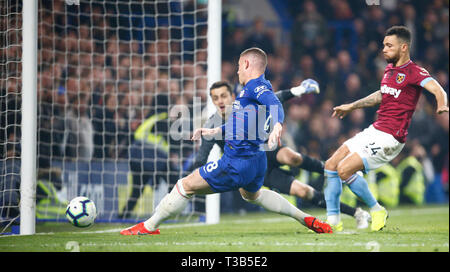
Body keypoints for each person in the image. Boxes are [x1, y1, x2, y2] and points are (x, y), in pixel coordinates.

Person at [120, 47, 333, 235]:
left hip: (236, 162)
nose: (237, 71)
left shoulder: (255, 86)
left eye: (239, 66)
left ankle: (147, 226)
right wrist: (212, 130)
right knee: (253, 195)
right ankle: (305, 218)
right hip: (257, 161)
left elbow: (274, 102)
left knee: (184, 186)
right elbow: (240, 124)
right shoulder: (250, 92)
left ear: (247, 64)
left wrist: (278, 124)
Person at [189, 80, 371, 229]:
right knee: (304, 191)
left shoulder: (247, 106)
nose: (220, 101)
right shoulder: (213, 126)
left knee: (291, 156)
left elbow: (275, 98)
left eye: (223, 96)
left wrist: (298, 90)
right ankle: (357, 213)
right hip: (254, 170)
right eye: (215, 98)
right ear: (212, 101)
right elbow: (202, 156)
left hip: (267, 152)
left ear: (233, 97)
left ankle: (332, 169)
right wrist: (195, 177)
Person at [323, 26, 449, 232]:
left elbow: (437, 89)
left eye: (389, 46)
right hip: (375, 129)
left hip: (391, 137)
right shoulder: (389, 70)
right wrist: (352, 105)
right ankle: (333, 222)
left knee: (344, 169)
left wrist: (442, 104)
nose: (384, 49)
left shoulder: (415, 72)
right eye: (383, 45)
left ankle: (376, 209)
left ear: (404, 47)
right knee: (330, 164)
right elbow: (382, 95)